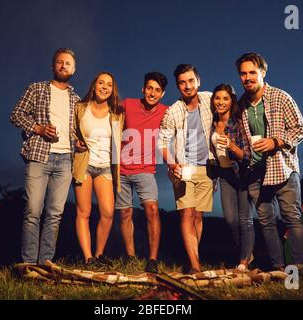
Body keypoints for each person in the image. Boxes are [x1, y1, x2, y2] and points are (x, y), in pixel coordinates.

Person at [235, 52, 303, 271]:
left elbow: (301, 129)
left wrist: (276, 141)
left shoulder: (281, 97)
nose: (247, 78)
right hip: (256, 172)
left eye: (252, 73)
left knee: (292, 217)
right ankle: (278, 268)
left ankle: (298, 268)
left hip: (283, 168)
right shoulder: (241, 105)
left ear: (263, 73)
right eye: (243, 73)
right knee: (266, 222)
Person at [10, 48, 79, 265]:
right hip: (39, 156)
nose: (63, 66)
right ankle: (29, 264)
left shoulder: (76, 99)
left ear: (74, 69)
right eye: (59, 62)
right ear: (53, 66)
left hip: (66, 159)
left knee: (55, 213)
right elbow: (16, 114)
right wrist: (37, 128)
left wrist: (78, 141)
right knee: (32, 210)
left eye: (68, 63)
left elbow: (75, 130)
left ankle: (45, 264)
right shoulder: (37, 88)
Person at [158, 64, 214, 273]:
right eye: (182, 82)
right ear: (178, 86)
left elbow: (229, 106)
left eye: (191, 81)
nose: (187, 86)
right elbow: (161, 141)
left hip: (207, 168)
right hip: (184, 168)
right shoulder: (174, 110)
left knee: (199, 216)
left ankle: (194, 259)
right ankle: (195, 265)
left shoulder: (210, 99)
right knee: (187, 214)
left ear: (198, 81)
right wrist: (172, 164)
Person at [116, 72, 169, 273]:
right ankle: (130, 256)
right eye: (149, 88)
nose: (152, 93)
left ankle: (152, 259)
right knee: (124, 213)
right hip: (121, 168)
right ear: (143, 89)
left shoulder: (166, 111)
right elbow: (103, 106)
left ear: (162, 94)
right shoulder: (128, 104)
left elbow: (186, 114)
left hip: (146, 169)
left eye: (157, 90)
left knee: (152, 209)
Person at [71, 71, 124, 268]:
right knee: (84, 212)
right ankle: (88, 258)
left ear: (112, 90)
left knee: (108, 212)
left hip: (105, 168)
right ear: (94, 86)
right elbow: (71, 131)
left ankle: (99, 255)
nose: (104, 87)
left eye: (109, 85)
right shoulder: (80, 108)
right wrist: (74, 142)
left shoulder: (117, 114)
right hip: (84, 164)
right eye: (101, 83)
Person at [210, 83, 255, 271]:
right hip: (225, 175)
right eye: (217, 98)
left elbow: (247, 155)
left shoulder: (238, 122)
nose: (220, 102)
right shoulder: (212, 122)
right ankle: (246, 253)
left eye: (225, 98)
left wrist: (231, 145)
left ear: (232, 101)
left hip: (243, 174)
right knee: (230, 220)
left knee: (245, 220)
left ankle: (243, 261)